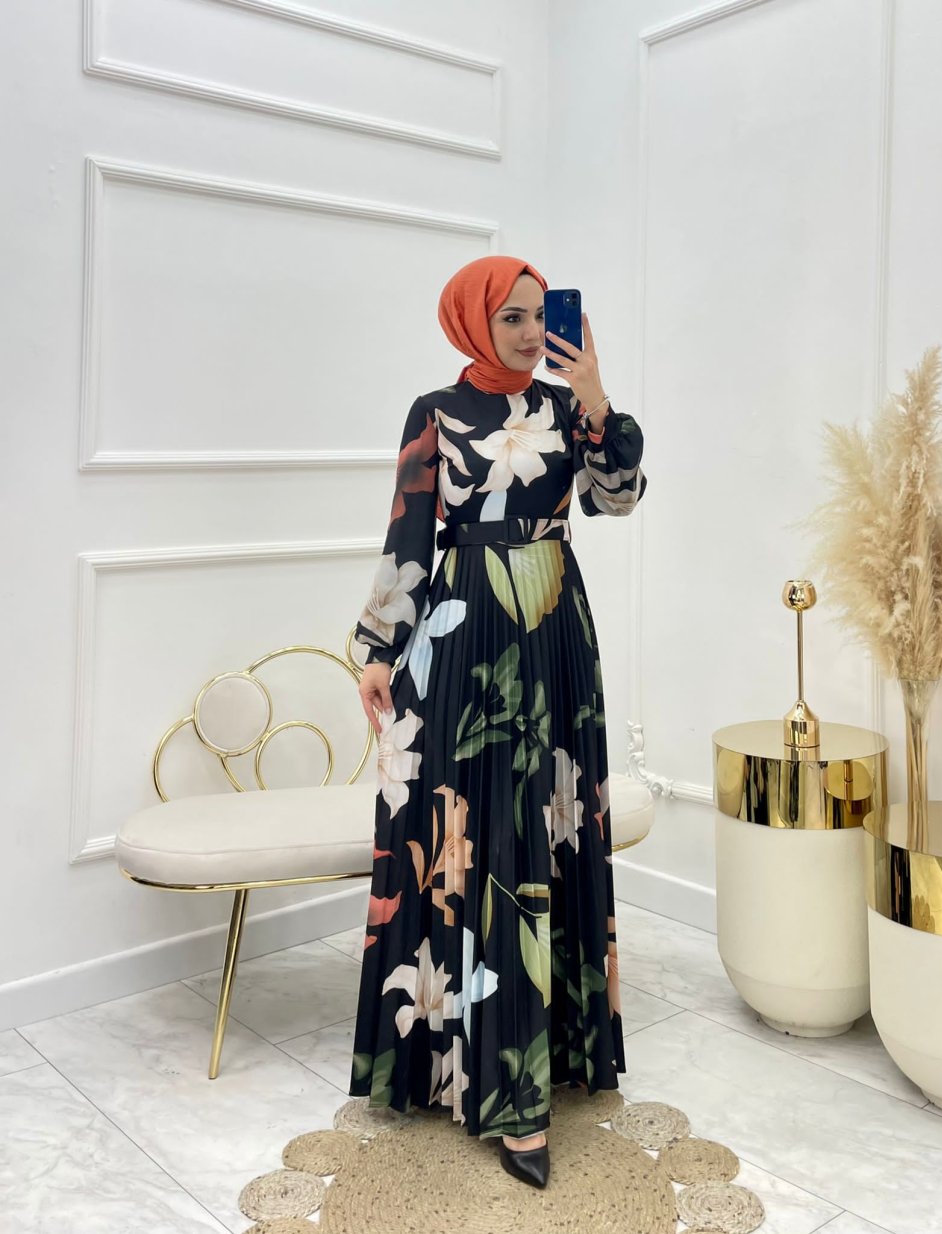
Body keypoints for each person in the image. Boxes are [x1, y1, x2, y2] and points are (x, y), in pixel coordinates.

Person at [348, 255, 647, 1189]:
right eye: (510, 316)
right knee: (473, 839)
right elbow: (409, 529)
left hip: (555, 632)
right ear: (473, 321)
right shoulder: (435, 412)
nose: (527, 332)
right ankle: (483, 1081)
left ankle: (544, 1062)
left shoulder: (566, 408)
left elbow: (616, 498)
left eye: (538, 315)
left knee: (547, 832)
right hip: (464, 638)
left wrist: (595, 395)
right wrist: (377, 648)